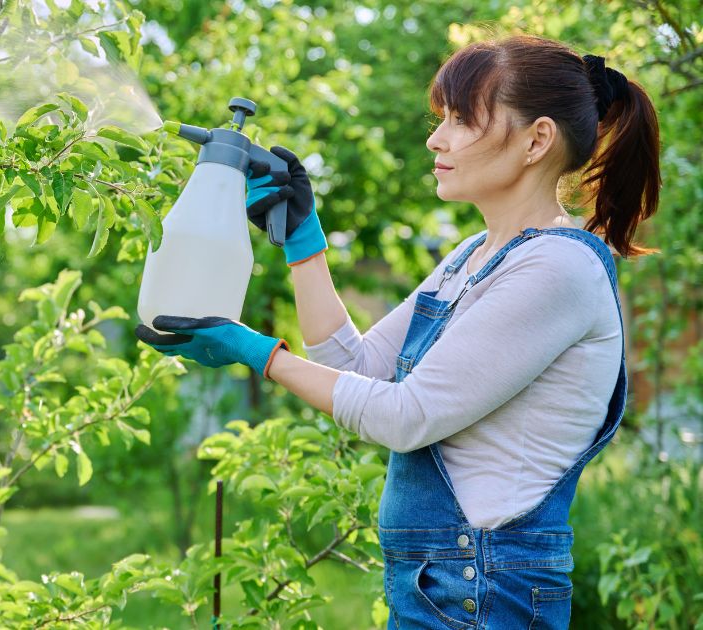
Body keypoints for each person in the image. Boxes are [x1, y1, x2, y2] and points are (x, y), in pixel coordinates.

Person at [136, 33, 661, 628]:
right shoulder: (474, 255)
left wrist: (251, 349)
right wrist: (305, 243)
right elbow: (356, 371)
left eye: (463, 120)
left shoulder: (558, 268)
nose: (436, 139)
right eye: (442, 120)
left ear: (537, 139)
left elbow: (404, 417)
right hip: (440, 585)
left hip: (485, 591)